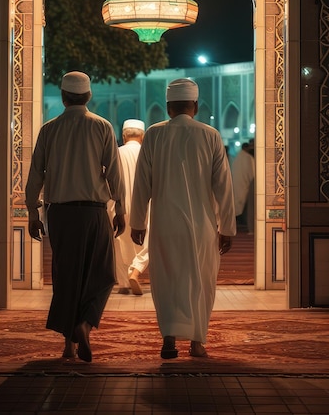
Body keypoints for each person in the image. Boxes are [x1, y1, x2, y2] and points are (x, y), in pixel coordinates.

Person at [130, 78, 236, 359]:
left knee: (166, 281)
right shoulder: (210, 134)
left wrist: (137, 222)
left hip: (164, 224)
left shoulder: (153, 134)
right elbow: (223, 186)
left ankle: (168, 339)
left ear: (168, 107)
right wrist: (227, 227)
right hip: (202, 226)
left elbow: (142, 183)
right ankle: (197, 342)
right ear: (196, 106)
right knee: (201, 282)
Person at [25, 71, 125, 363]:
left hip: (60, 215)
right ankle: (85, 324)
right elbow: (114, 173)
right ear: (89, 96)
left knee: (66, 277)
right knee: (103, 274)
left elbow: (35, 175)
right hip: (94, 213)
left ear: (63, 97)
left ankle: (69, 346)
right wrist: (120, 208)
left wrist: (33, 212)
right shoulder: (102, 127)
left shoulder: (49, 129)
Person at [109, 119, 149, 296]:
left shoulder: (116, 153)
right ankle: (136, 269)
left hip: (119, 205)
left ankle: (124, 284)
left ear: (124, 136)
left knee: (120, 241)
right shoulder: (147, 153)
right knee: (148, 241)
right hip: (144, 204)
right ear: (142, 136)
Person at [231, 141, 255, 232]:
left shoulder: (238, 158)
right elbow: (252, 175)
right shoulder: (247, 158)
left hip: (240, 186)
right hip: (247, 186)